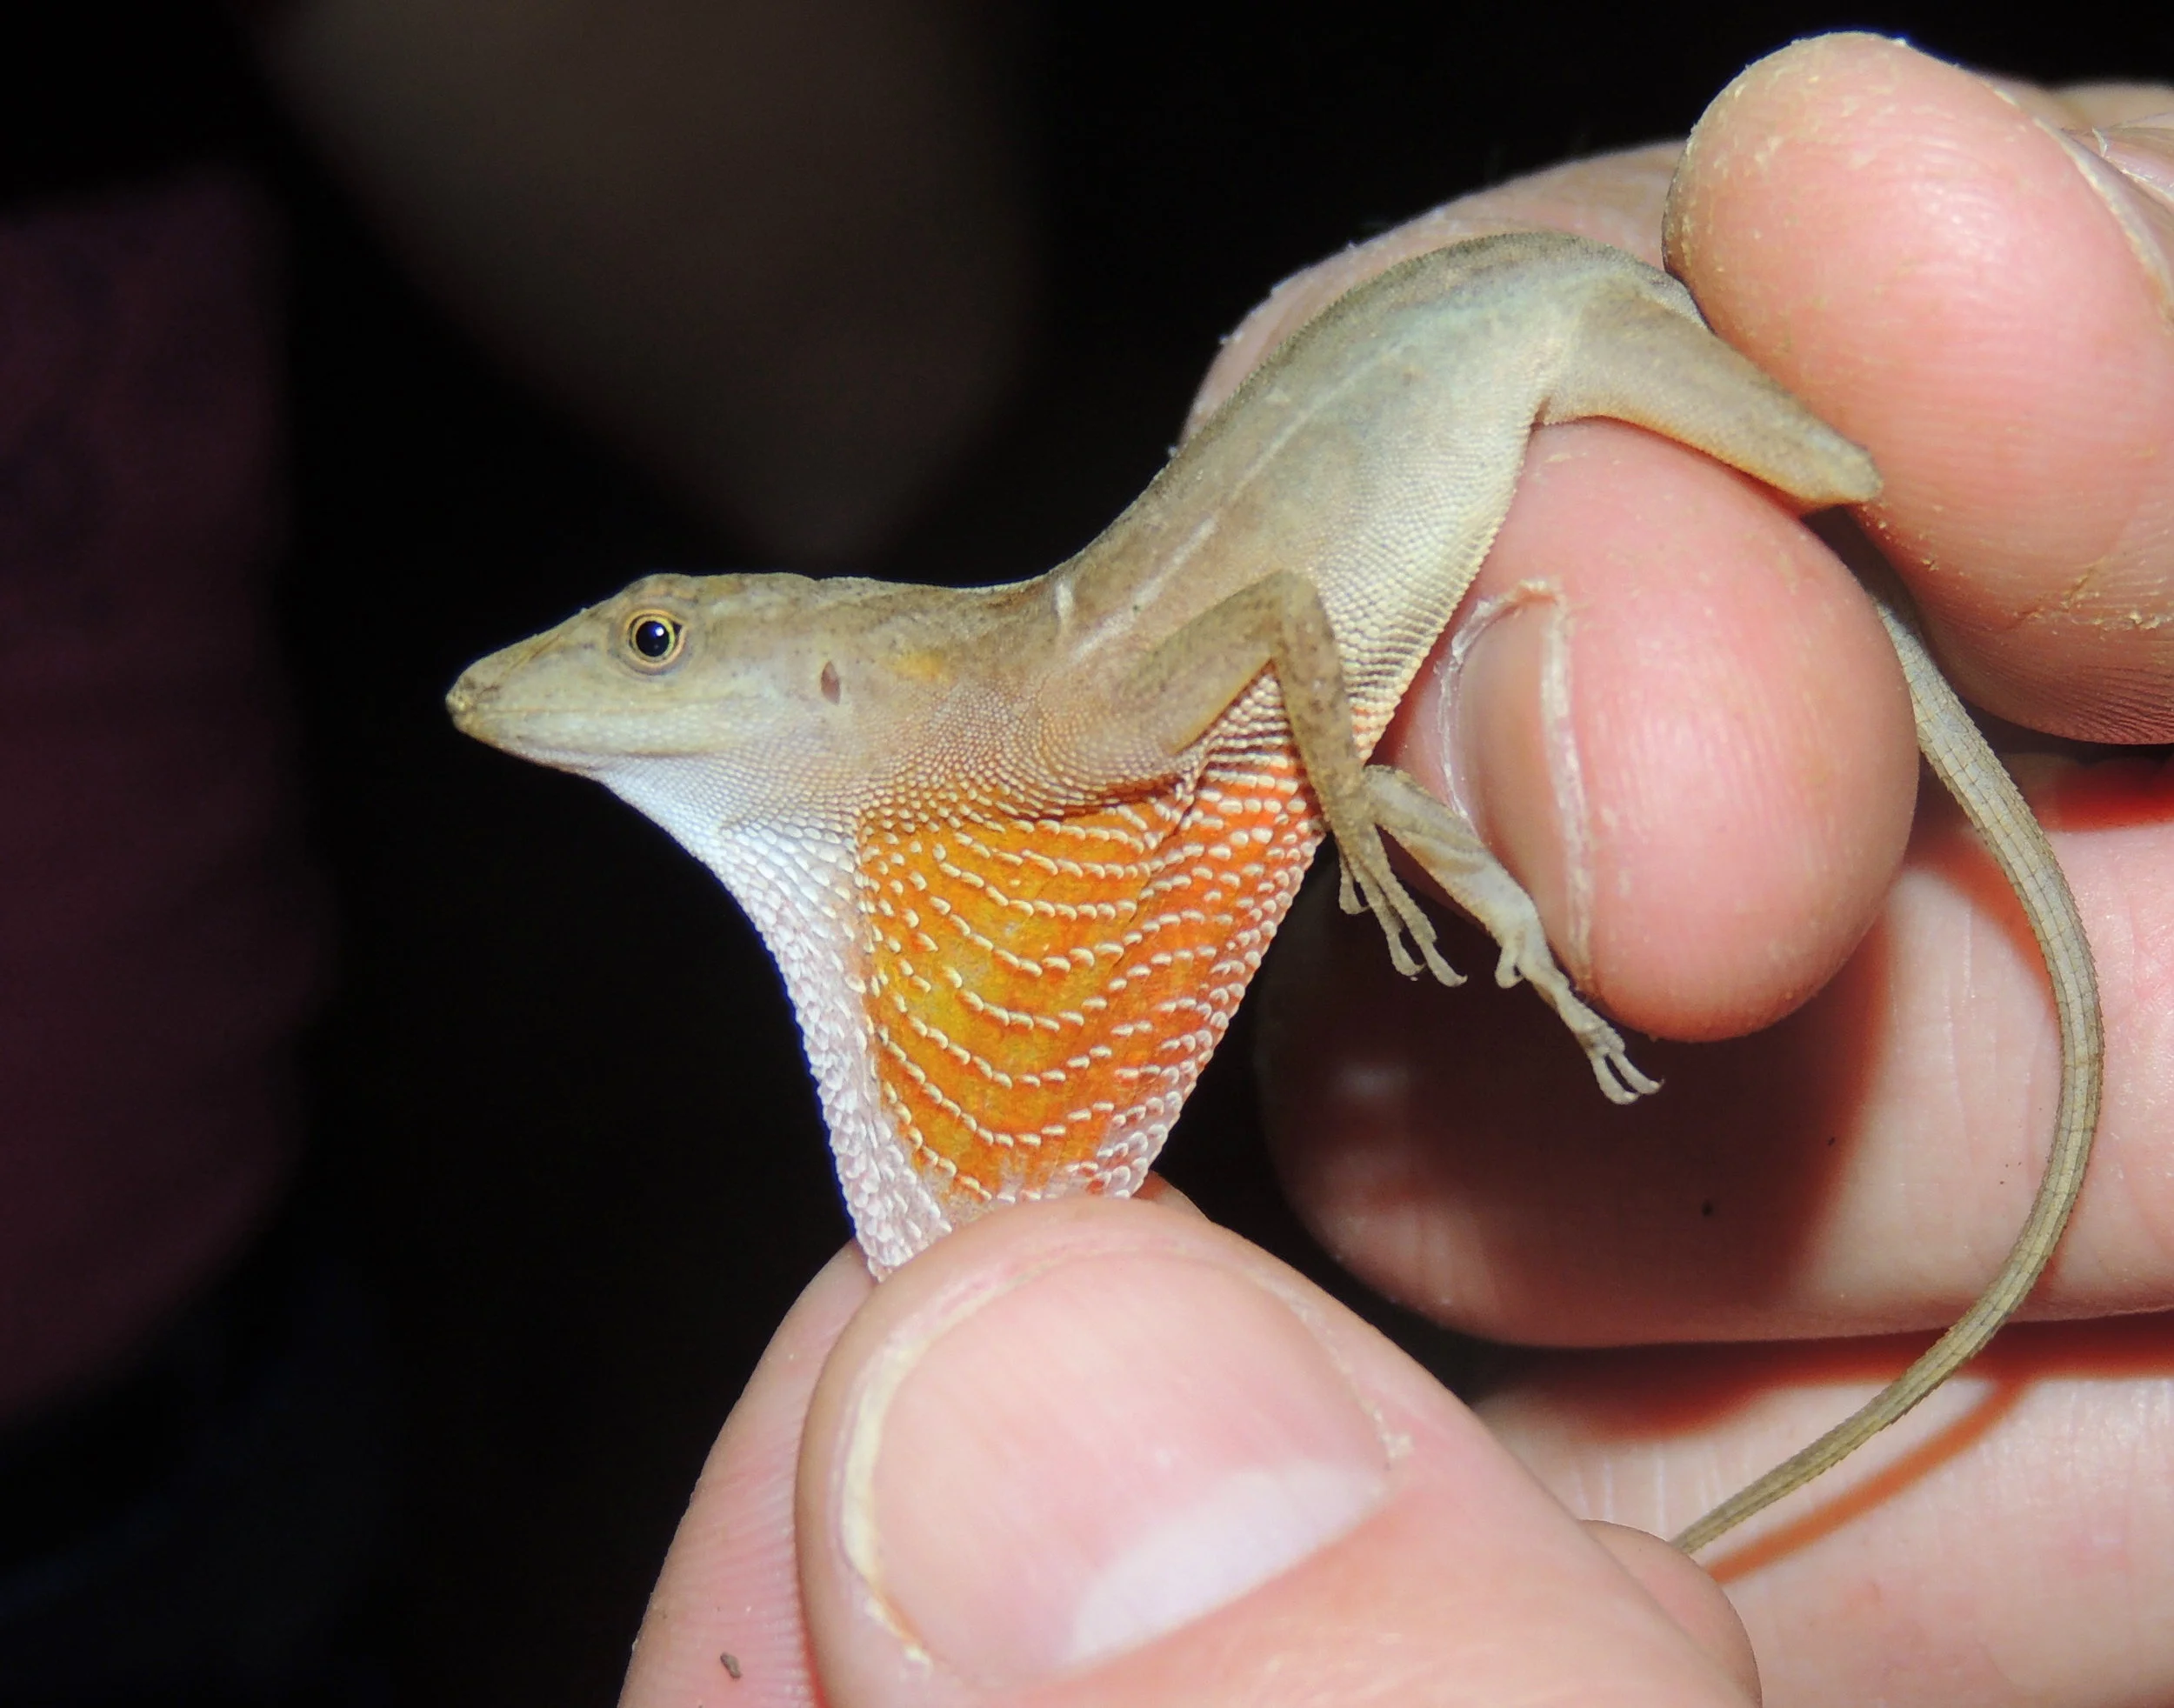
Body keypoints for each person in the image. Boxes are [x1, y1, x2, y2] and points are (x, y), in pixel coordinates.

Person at [611, 37, 2174, 1706]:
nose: (617, 668)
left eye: (653, 643)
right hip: (1494, 358)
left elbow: (1287, 620)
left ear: (828, 674)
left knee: (1843, 481)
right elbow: (1294, 662)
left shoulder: (1066, 708)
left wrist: (1353, 795)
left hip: (1548, 326)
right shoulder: (1030, 719)